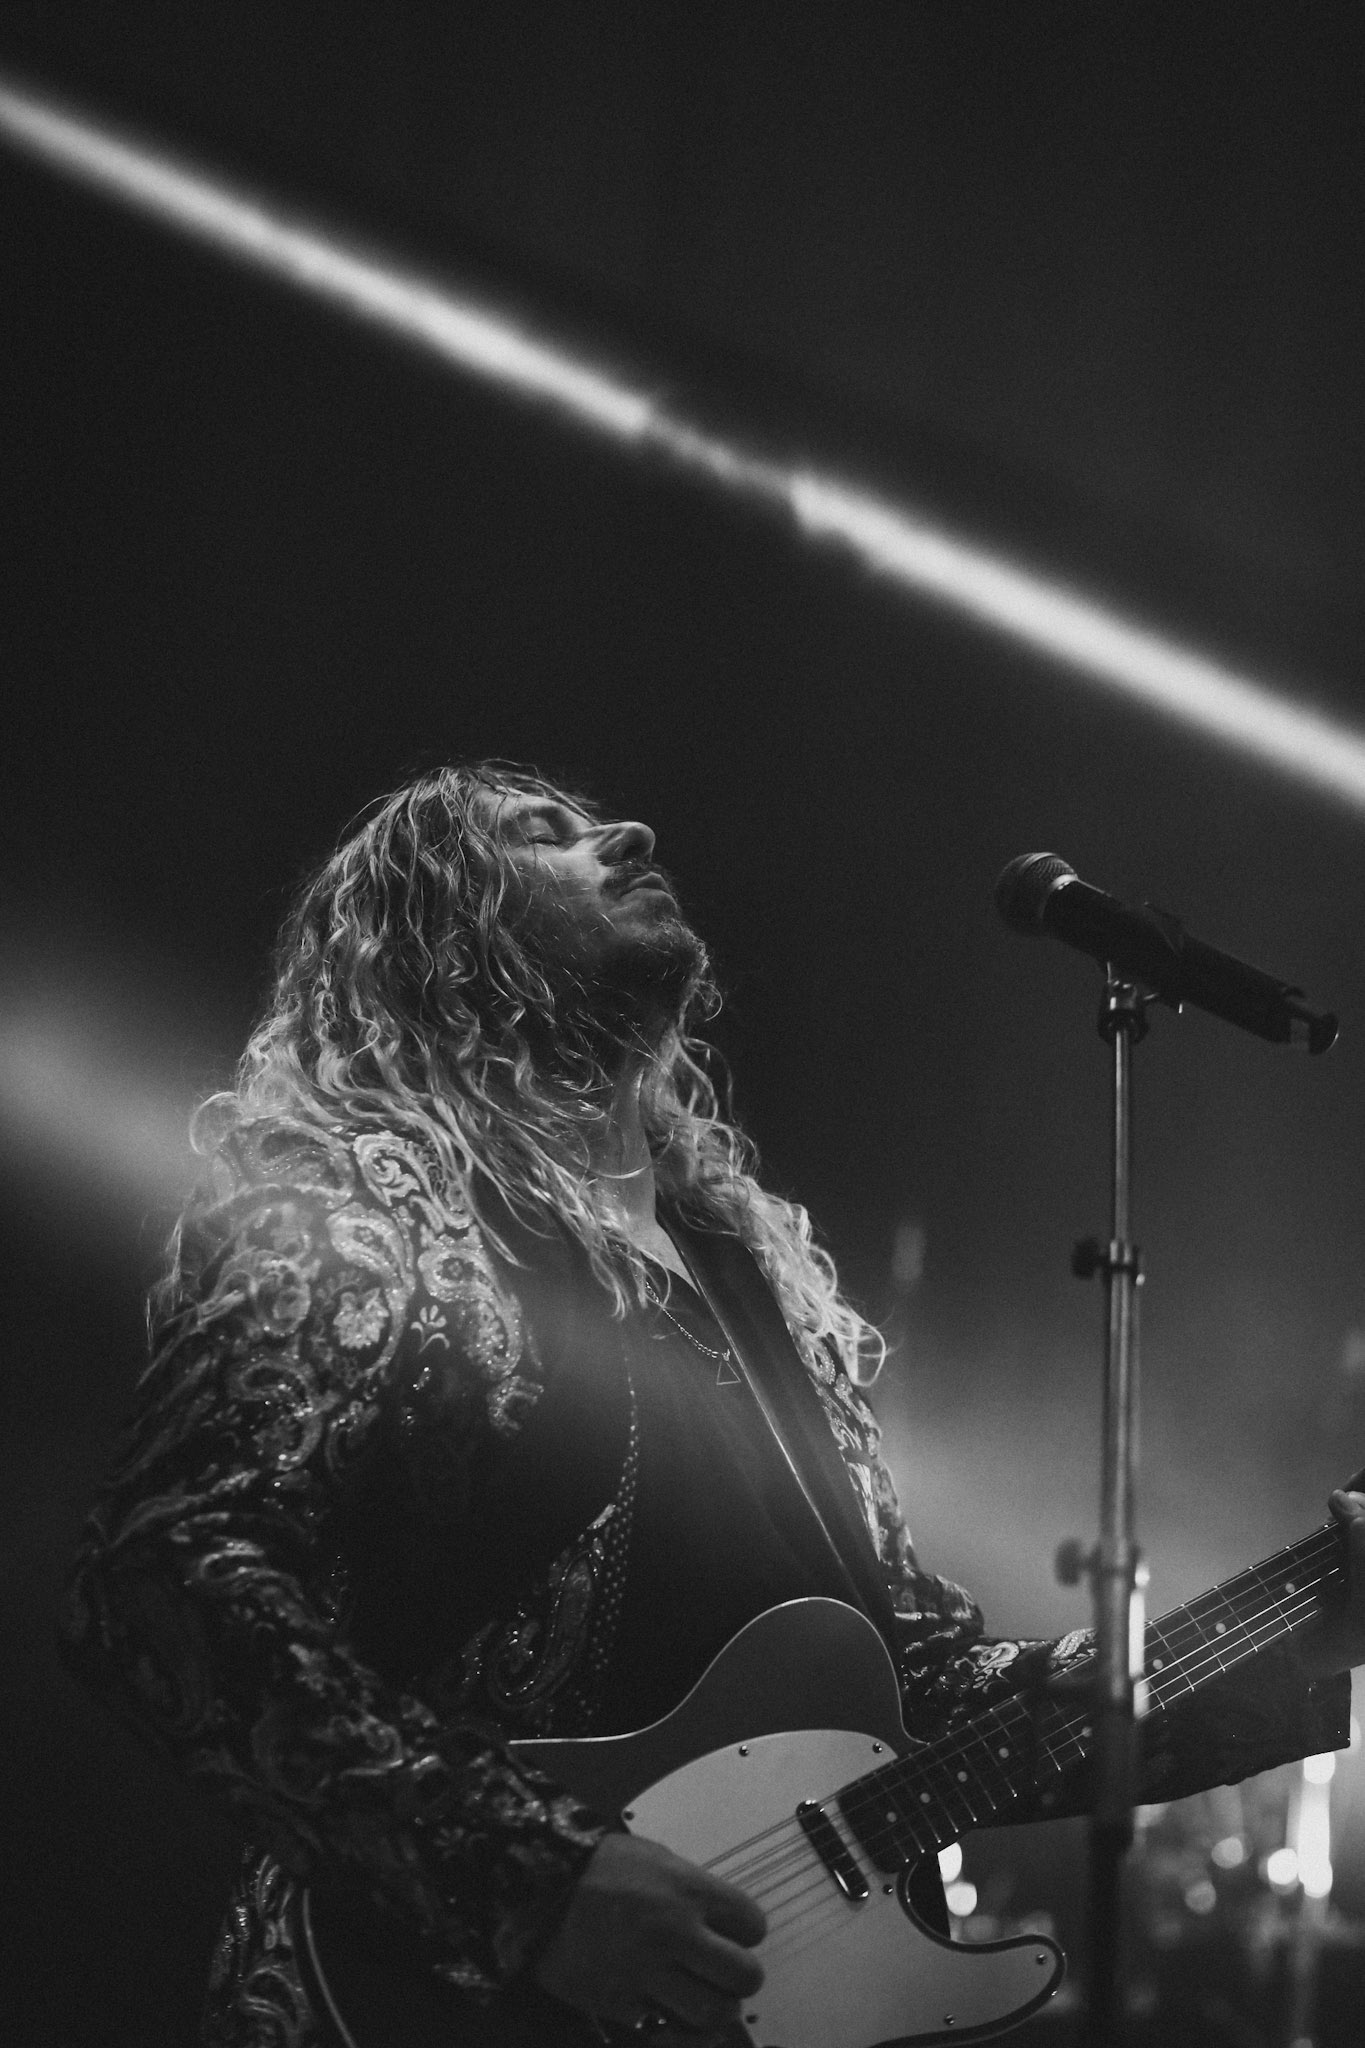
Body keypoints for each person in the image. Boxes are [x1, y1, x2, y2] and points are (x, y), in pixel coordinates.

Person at [60, 760, 1365, 2047]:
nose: (629, 829)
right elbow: (163, 1567)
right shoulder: (369, 1199)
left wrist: (1307, 1632)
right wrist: (524, 1877)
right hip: (411, 1993)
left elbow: (922, 1702)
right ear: (443, 945)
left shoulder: (752, 1282)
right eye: (541, 834)